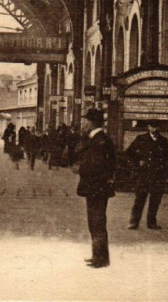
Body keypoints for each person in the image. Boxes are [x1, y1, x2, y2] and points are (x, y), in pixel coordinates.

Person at [76, 108, 116, 269]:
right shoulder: (99, 139)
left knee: (97, 223)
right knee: (95, 223)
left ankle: (100, 259)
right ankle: (98, 256)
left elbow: (96, 165)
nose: (83, 123)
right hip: (97, 188)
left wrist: (79, 169)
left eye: (85, 120)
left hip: (96, 188)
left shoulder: (99, 141)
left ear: (92, 123)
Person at [126, 121, 168, 230]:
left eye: (157, 127)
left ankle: (151, 223)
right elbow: (129, 152)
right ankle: (134, 222)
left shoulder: (163, 141)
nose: (155, 129)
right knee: (140, 198)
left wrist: (164, 168)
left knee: (155, 200)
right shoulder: (141, 139)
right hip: (144, 174)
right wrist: (138, 162)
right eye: (152, 126)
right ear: (149, 127)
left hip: (158, 175)